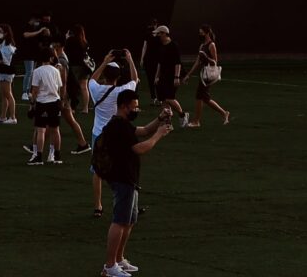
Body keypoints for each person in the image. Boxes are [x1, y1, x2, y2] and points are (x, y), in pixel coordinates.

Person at [92, 86, 175, 277]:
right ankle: (109, 265)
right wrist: (159, 134)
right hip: (122, 179)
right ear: (123, 106)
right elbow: (139, 148)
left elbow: (143, 130)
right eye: (134, 107)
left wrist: (160, 119)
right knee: (120, 221)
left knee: (129, 221)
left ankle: (119, 259)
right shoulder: (118, 126)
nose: (136, 110)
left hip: (129, 178)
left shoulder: (121, 124)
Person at [85, 48, 138, 218]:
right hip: (118, 133)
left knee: (97, 169)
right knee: (125, 167)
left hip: (99, 133)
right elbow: (135, 79)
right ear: (118, 76)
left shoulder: (96, 89)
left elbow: (91, 79)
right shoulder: (121, 92)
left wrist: (104, 62)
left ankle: (98, 205)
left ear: (105, 75)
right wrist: (130, 59)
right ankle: (128, 201)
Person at [26, 45, 67, 165]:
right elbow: (59, 88)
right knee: (56, 130)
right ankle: (56, 156)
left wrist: (32, 104)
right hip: (55, 102)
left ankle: (38, 157)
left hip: (42, 102)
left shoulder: (37, 71)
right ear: (50, 58)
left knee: (41, 131)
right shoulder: (56, 70)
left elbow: (34, 90)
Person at [188, 25, 231, 127]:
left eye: (201, 32)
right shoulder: (202, 45)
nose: (200, 34)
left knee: (199, 96)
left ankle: (196, 121)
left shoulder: (212, 45)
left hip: (208, 74)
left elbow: (215, 62)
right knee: (205, 98)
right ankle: (224, 113)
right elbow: (197, 62)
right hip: (202, 74)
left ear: (207, 33)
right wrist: (188, 75)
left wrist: (207, 58)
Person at [0, 24, 20, 124]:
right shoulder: (3, 43)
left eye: (1, 31)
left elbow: (6, 61)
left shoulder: (9, 45)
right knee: (3, 95)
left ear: (6, 33)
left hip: (7, 72)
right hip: (2, 71)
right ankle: (3, 116)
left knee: (8, 94)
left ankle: (13, 117)